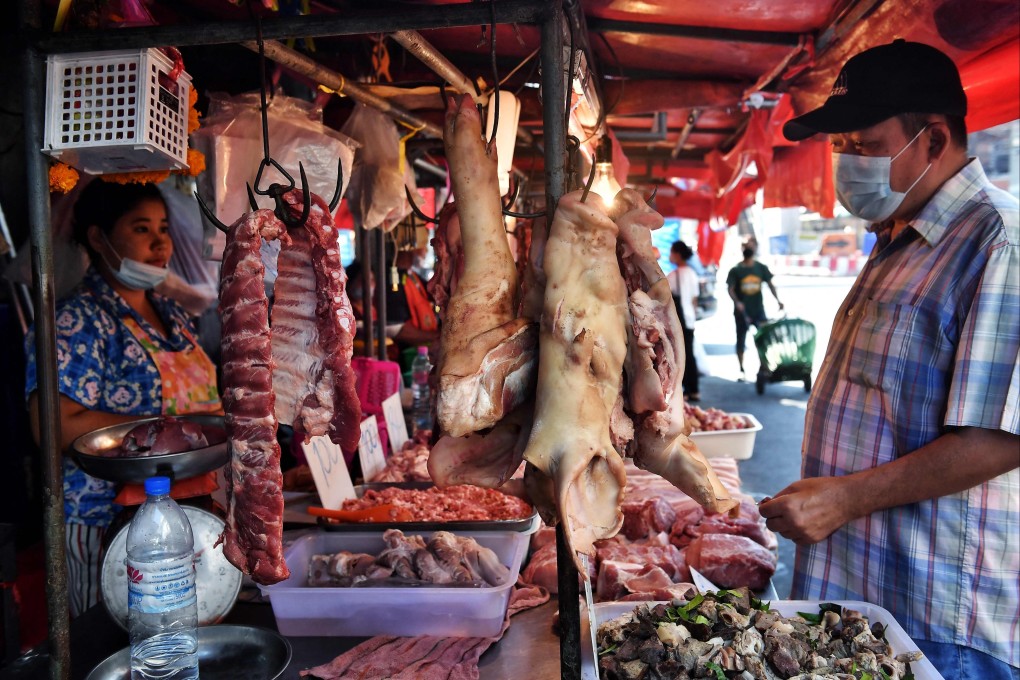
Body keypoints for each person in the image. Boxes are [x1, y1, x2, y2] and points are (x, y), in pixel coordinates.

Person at [758, 40, 1019, 679]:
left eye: (865, 145)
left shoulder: (998, 242)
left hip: (938, 619)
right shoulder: (897, 238)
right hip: (857, 596)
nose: (847, 162)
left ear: (933, 140)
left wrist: (845, 499)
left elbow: (1000, 438)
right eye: (839, 147)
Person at [24, 180, 221, 618]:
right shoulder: (76, 319)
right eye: (140, 228)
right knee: (117, 641)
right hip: (104, 523)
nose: (159, 242)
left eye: (164, 229)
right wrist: (170, 427)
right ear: (98, 237)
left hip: (189, 509)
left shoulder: (172, 314)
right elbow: (52, 424)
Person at [725, 242, 783, 378]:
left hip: (758, 310)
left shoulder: (760, 268)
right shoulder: (736, 270)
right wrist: (737, 302)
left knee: (762, 339)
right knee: (741, 340)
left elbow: (770, 285)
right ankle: (741, 369)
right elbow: (730, 289)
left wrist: (778, 300)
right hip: (742, 313)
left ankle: (763, 366)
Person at [385, 247, 440, 353]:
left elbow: (435, 294)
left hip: (425, 350)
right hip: (407, 355)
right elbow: (400, 331)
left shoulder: (412, 275)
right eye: (423, 247)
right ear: (407, 248)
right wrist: (439, 335)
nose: (426, 252)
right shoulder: (392, 279)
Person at [666, 240, 700, 402]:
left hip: (678, 321)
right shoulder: (692, 273)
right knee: (689, 354)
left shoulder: (673, 276)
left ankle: (685, 390)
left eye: (671, 252)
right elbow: (695, 299)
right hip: (690, 319)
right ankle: (694, 390)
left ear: (678, 254)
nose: (669, 255)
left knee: (680, 355)